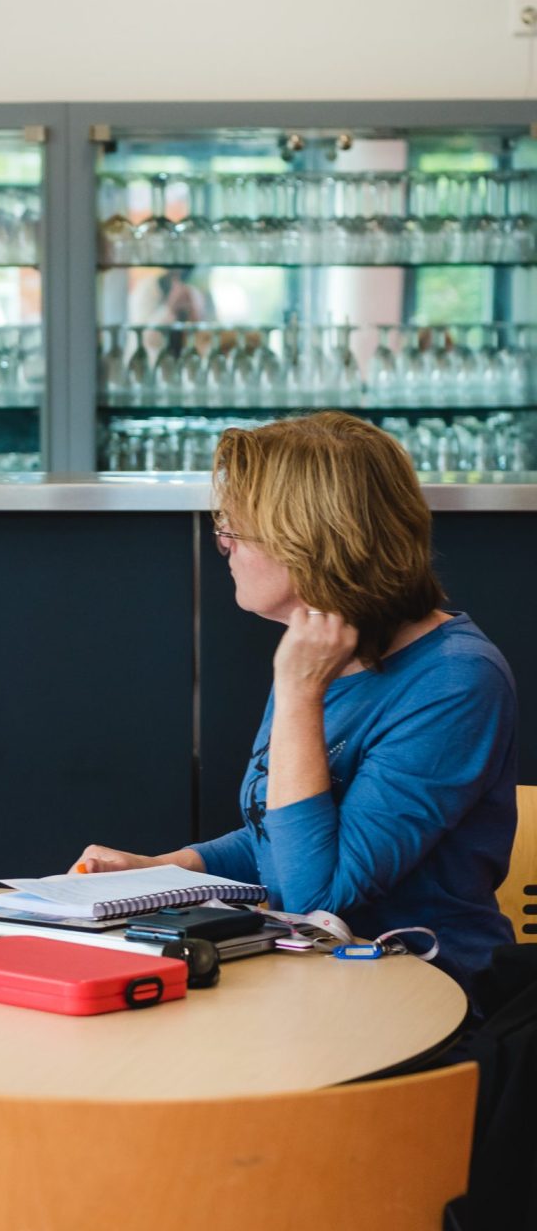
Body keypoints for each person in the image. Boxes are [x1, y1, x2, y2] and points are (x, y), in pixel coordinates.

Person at [75, 410, 517, 991]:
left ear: (308, 539)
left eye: (234, 529)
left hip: (422, 1000)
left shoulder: (455, 681)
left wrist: (299, 691)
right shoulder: (321, 647)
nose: (223, 546)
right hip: (306, 985)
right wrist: (165, 868)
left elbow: (316, 902)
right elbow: (281, 837)